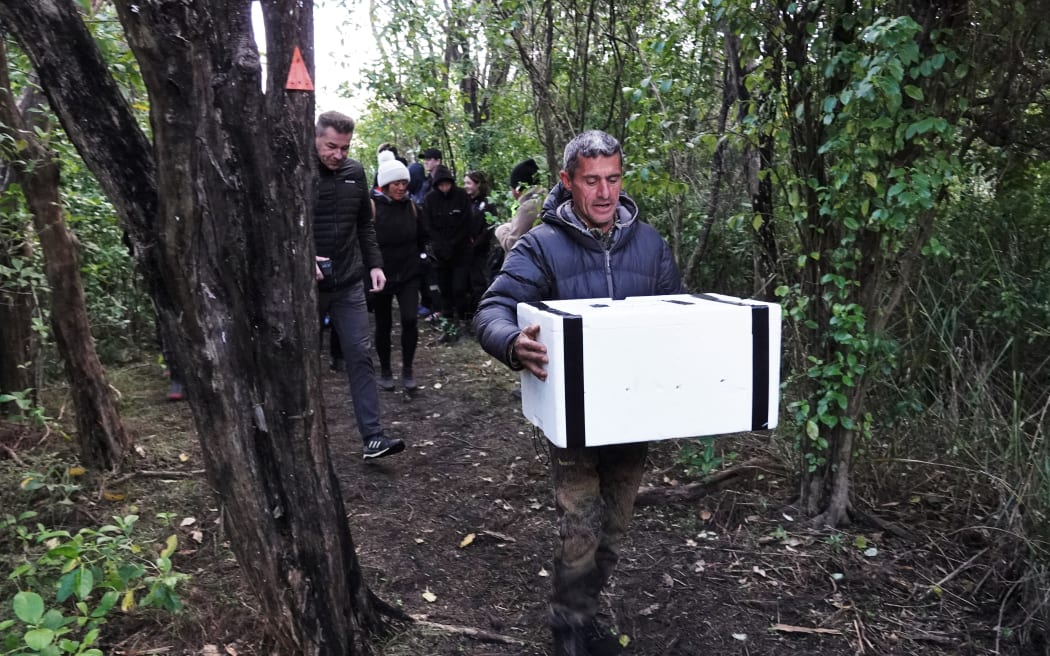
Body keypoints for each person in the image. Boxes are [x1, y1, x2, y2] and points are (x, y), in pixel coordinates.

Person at [473, 130, 683, 656]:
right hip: (572, 412)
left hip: (636, 412)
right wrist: (511, 341)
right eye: (592, 181)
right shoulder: (541, 245)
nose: (605, 193)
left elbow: (679, 317)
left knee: (614, 527)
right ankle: (568, 632)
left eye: (613, 179)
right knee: (583, 522)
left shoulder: (651, 244)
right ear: (568, 183)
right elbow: (491, 310)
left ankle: (583, 613)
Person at [313, 111, 405, 460]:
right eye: (331, 147)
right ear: (316, 138)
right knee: (305, 360)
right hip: (308, 286)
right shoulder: (298, 171)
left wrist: (375, 264)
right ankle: (302, 439)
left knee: (359, 355)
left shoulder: (354, 172)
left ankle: (373, 437)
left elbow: (365, 225)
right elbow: (280, 224)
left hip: (349, 280)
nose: (338, 155)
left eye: (344, 148)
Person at [371, 150, 427, 392]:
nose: (401, 187)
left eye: (404, 182)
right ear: (385, 184)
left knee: (409, 320)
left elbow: (422, 237)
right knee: (383, 324)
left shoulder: (412, 207)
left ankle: (408, 369)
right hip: (381, 275)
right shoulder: (372, 207)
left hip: (408, 273)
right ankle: (385, 369)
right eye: (397, 183)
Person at [422, 163, 476, 329]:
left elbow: (466, 223)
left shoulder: (461, 196)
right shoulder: (430, 199)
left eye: (447, 184)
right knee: (444, 288)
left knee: (459, 288)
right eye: (441, 185)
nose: (444, 188)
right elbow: (428, 225)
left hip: (460, 251)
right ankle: (448, 322)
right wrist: (440, 245)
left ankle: (463, 319)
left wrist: (453, 244)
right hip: (440, 253)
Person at [463, 170, 498, 317]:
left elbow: (488, 230)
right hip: (464, 250)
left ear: (477, 184)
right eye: (465, 183)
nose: (466, 186)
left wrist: (475, 244)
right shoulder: (465, 202)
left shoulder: (488, 204)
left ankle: (482, 313)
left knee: (479, 283)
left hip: (480, 252)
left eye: (469, 183)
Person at [495, 157, 546, 254]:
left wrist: (501, 230)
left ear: (517, 189)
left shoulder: (528, 207)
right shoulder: (546, 199)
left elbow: (513, 245)